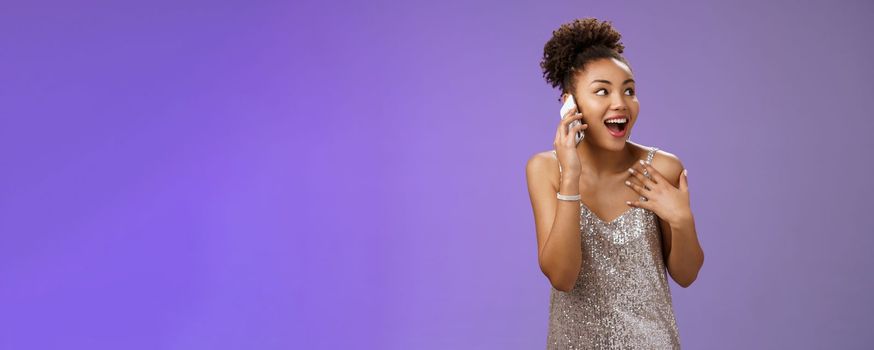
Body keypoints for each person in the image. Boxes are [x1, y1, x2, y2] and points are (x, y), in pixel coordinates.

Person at [525, 18, 705, 349]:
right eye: (602, 91)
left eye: (629, 90)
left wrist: (681, 220)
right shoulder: (545, 169)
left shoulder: (662, 168)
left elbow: (687, 275)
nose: (620, 102)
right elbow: (562, 277)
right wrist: (571, 175)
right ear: (570, 103)